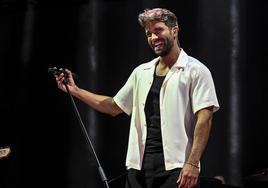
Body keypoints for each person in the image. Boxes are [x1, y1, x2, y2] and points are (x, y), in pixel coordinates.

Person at [55, 8, 219, 188]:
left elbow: (205, 118)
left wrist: (193, 163)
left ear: (174, 30)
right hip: (139, 169)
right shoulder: (141, 72)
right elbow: (113, 106)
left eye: (158, 30)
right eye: (149, 34)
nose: (153, 37)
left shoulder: (196, 70)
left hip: (177, 168)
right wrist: (75, 90)